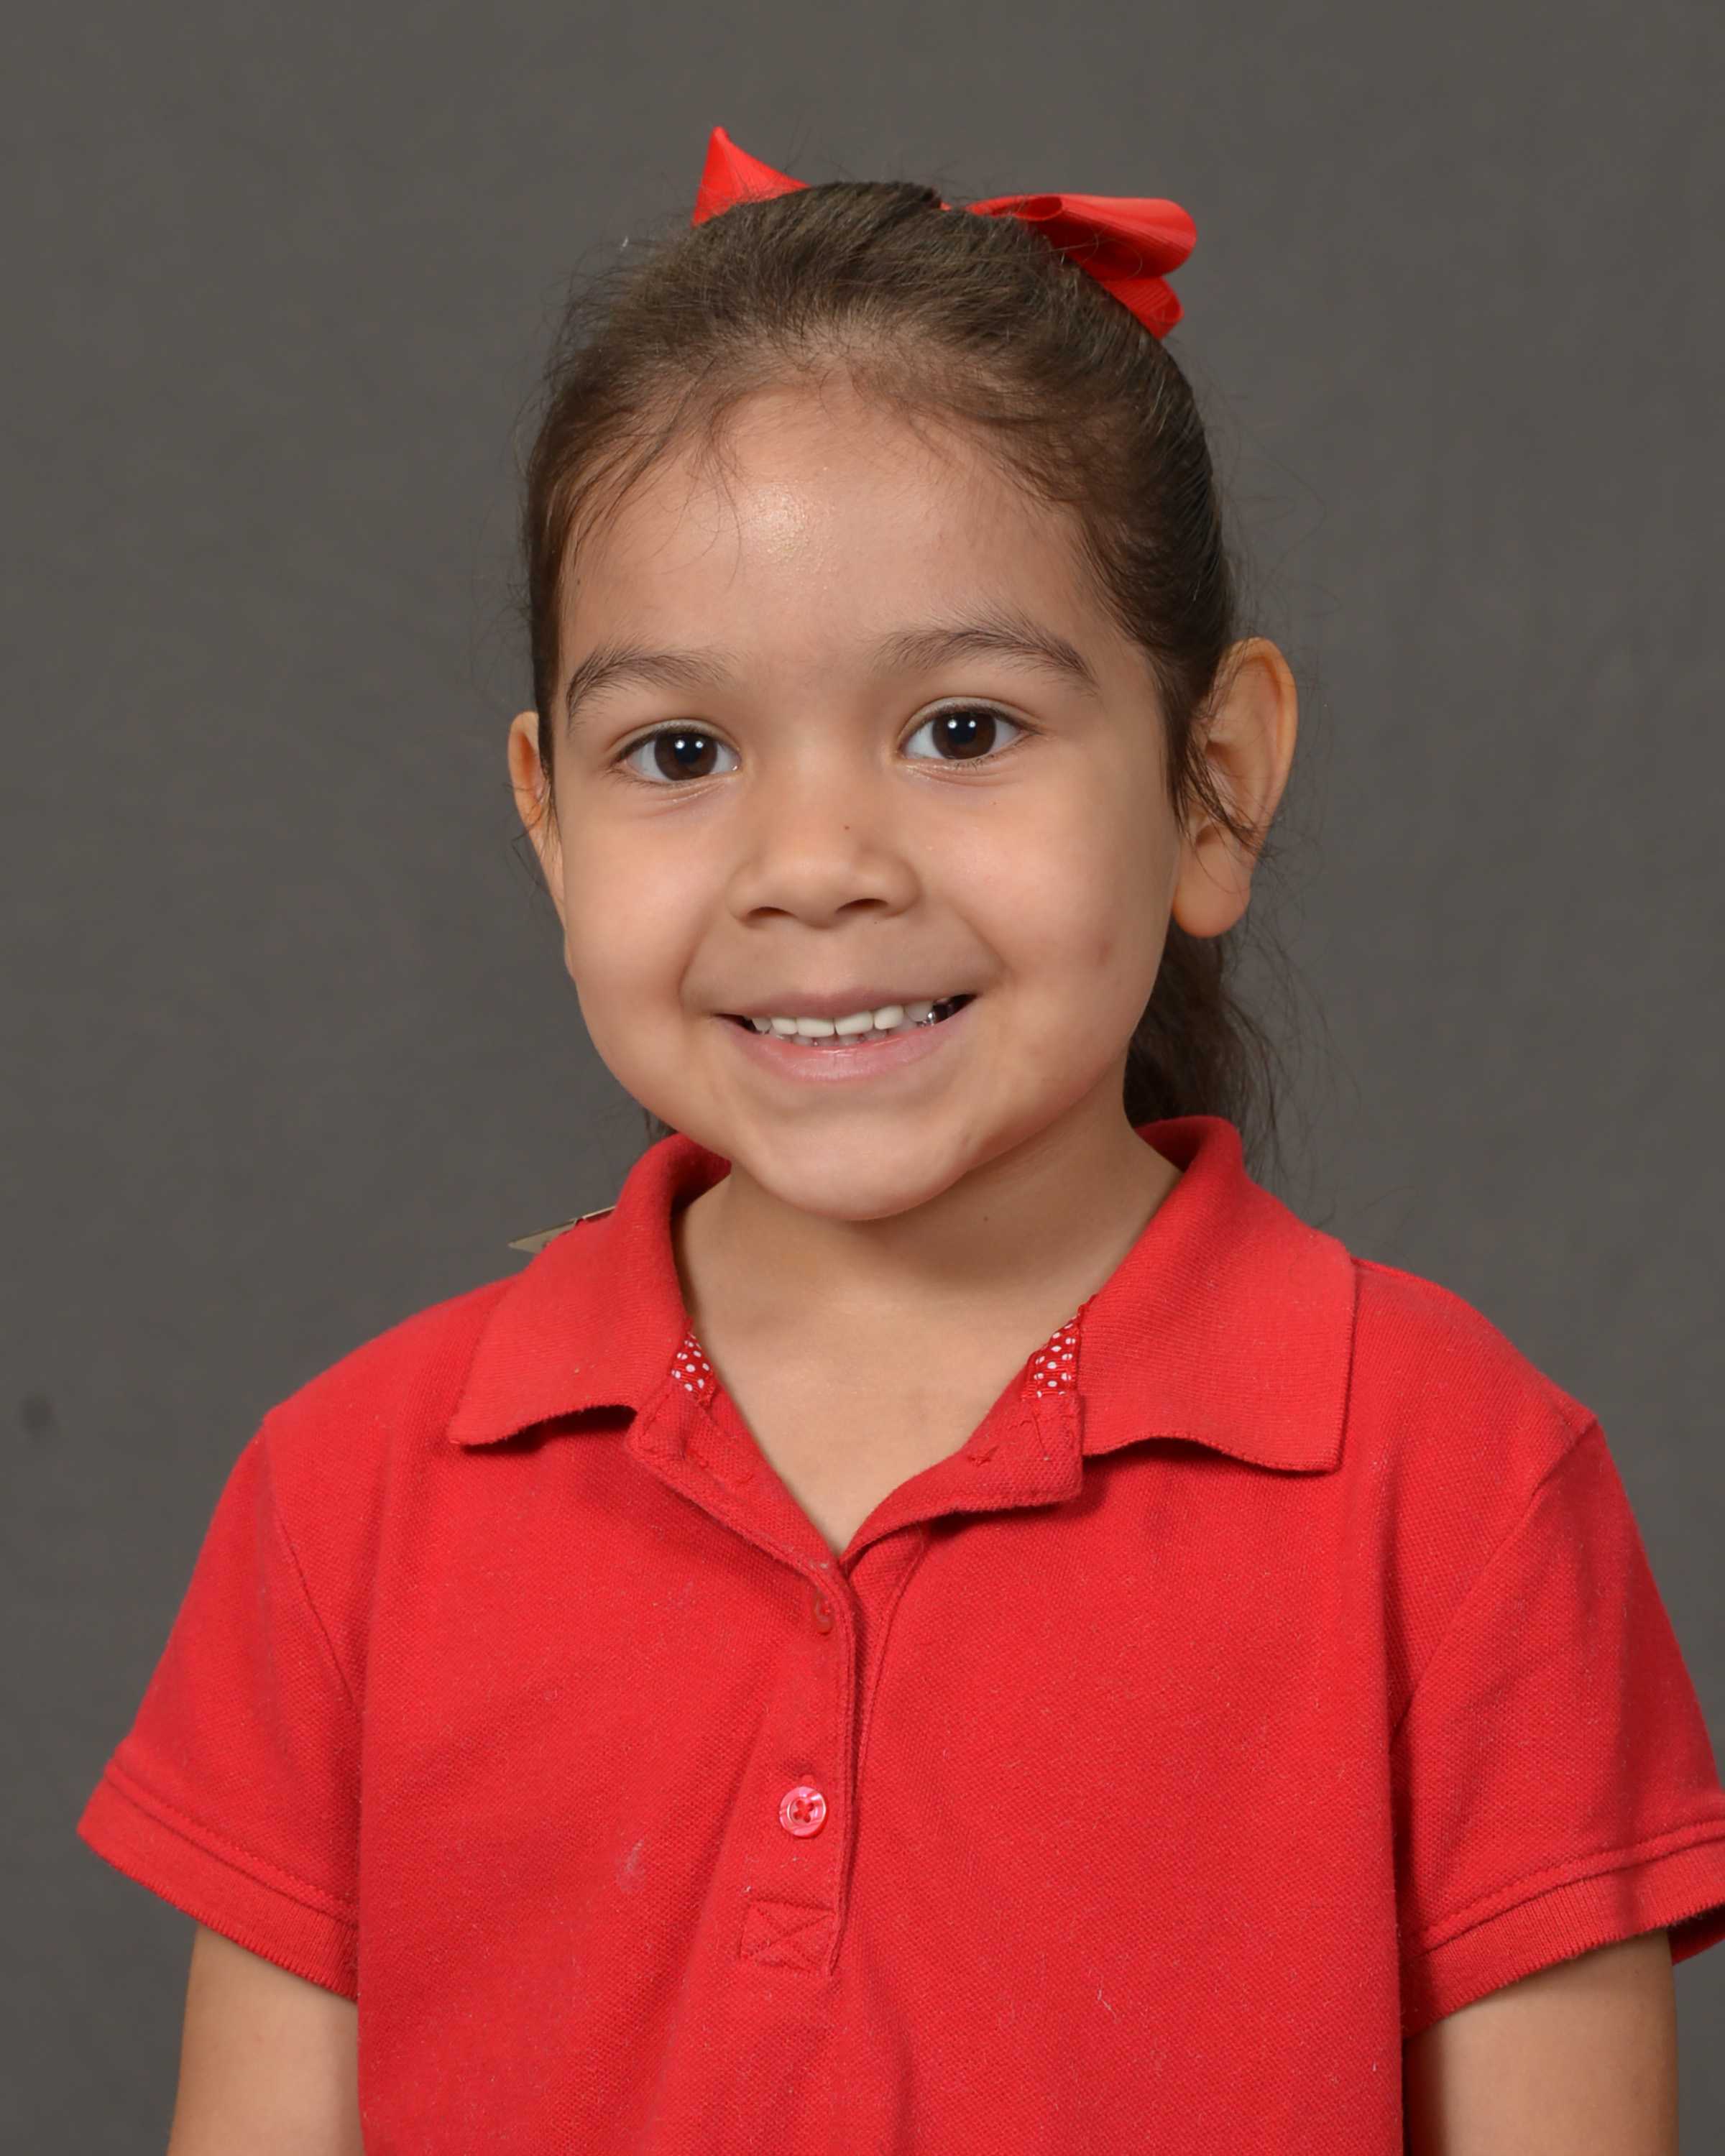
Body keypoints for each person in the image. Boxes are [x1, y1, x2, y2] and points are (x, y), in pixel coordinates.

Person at [81, 128, 1725, 2155]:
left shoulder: (1463, 1499)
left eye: (962, 728)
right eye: (680, 751)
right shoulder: (348, 1505)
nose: (817, 864)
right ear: (547, 822)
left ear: (1212, 784)